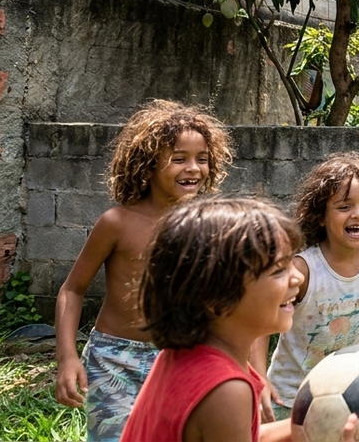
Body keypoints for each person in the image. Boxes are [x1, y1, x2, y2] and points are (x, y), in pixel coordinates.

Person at [120, 197, 359, 442]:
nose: (297, 277)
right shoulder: (225, 389)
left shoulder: (193, 354)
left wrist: (322, 423)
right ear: (216, 297)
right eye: (278, 271)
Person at [55, 100, 233, 442]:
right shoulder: (117, 224)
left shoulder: (207, 227)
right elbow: (71, 290)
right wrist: (66, 358)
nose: (193, 168)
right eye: (179, 158)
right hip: (114, 360)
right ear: (147, 165)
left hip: (181, 356)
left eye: (202, 159)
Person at [252, 152, 359, 422]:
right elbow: (262, 323)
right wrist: (258, 378)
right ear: (320, 216)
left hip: (344, 393)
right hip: (290, 397)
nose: (358, 214)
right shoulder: (303, 270)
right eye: (344, 206)